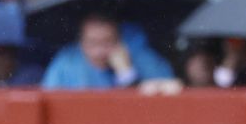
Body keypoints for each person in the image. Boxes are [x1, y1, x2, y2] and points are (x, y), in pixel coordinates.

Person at [40, 11, 174, 89]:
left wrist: (127, 74)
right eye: (93, 43)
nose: (100, 51)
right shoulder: (65, 63)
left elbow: (166, 96)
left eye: (107, 42)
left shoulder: (144, 58)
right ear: (81, 43)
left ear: (119, 40)